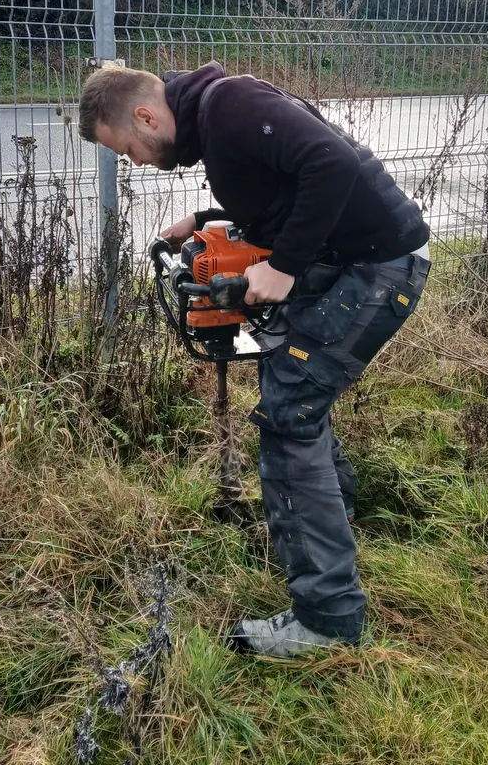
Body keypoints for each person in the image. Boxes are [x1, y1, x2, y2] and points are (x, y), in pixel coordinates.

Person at [78, 61, 430, 658]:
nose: (137, 161)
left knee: (289, 413)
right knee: (291, 385)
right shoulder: (215, 121)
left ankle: (327, 617)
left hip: (376, 269)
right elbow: (286, 185)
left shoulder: (230, 107)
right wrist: (210, 220)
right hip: (356, 262)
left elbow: (332, 164)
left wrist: (284, 265)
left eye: (130, 148)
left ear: (144, 115)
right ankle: (329, 519)